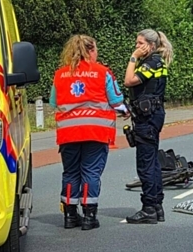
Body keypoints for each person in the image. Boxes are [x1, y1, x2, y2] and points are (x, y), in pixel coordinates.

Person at [50, 35, 125, 230]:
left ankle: (69, 216)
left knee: (70, 173)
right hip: (95, 131)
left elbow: (53, 102)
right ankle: (89, 217)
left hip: (68, 133)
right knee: (90, 172)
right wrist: (125, 111)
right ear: (91, 51)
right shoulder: (102, 72)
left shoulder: (60, 75)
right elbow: (116, 100)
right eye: (96, 49)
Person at [123, 29, 173, 224]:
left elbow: (129, 81)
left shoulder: (151, 63)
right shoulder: (156, 62)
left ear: (151, 45)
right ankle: (157, 206)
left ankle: (149, 209)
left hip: (148, 118)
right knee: (152, 163)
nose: (137, 46)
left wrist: (133, 57)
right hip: (152, 115)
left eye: (140, 43)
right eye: (136, 43)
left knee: (145, 165)